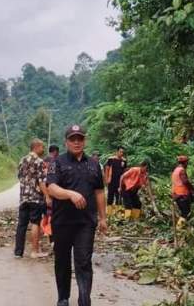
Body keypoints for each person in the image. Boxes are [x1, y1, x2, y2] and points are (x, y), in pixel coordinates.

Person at [46, 125, 106, 306]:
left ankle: (84, 299)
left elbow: (99, 192)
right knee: (62, 260)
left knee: (84, 261)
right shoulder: (57, 163)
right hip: (62, 221)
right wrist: (70, 194)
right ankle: (63, 298)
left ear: (85, 141)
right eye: (73, 139)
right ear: (66, 142)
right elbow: (51, 188)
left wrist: (103, 218)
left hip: (86, 222)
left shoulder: (94, 165)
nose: (77, 142)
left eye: (80, 138)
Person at [15, 138, 49, 258]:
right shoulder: (39, 161)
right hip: (35, 197)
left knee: (22, 224)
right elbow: (41, 181)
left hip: (23, 198)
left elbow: (19, 177)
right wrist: (47, 195)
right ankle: (34, 251)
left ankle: (18, 252)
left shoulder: (22, 160)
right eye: (42, 147)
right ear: (37, 147)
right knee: (35, 222)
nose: (43, 149)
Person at [103, 146, 127, 216]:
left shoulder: (124, 161)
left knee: (119, 197)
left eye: (123, 152)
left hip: (119, 182)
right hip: (111, 181)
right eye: (120, 152)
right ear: (117, 152)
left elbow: (124, 171)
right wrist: (106, 179)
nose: (121, 153)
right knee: (110, 196)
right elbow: (107, 169)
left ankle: (118, 213)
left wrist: (124, 182)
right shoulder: (111, 159)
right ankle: (109, 213)